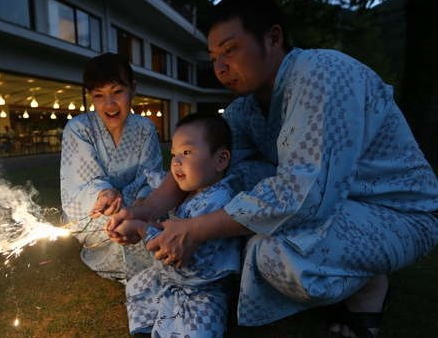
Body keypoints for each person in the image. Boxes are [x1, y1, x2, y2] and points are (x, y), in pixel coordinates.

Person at [108, 1, 438, 337]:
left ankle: (368, 284)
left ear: (273, 38)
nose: (220, 67)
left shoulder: (321, 74)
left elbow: (304, 192)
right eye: (213, 58)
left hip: (396, 213)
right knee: (225, 175)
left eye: (230, 50)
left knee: (274, 255)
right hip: (336, 206)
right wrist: (143, 210)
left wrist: (194, 229)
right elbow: (203, 162)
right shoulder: (248, 109)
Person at [115, 113, 240, 337]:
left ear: (220, 160)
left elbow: (181, 254)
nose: (175, 162)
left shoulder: (218, 200)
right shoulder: (192, 193)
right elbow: (170, 229)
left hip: (200, 289)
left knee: (196, 329)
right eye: (173, 154)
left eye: (187, 152)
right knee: (137, 286)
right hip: (172, 279)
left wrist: (141, 228)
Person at [60, 52, 163, 281]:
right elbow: (80, 183)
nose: (109, 104)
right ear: (90, 97)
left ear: (132, 89)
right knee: (118, 227)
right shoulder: (78, 128)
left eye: (117, 92)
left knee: (167, 213)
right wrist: (103, 193)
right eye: (99, 95)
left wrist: (140, 205)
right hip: (97, 211)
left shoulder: (145, 128)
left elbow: (152, 177)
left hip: (139, 207)